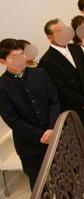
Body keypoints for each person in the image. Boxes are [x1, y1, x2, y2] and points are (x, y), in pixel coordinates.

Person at [39, 19, 84, 175]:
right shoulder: (47, 60)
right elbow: (59, 89)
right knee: (80, 141)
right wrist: (82, 102)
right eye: (59, 31)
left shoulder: (76, 48)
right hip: (73, 107)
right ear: (50, 37)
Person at [0, 39, 59, 189]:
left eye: (22, 54)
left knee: (64, 176)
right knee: (39, 185)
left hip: (54, 134)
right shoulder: (2, 87)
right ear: (2, 61)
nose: (21, 59)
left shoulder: (40, 73)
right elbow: (12, 119)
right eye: (14, 57)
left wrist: (51, 128)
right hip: (29, 145)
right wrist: (41, 135)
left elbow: (53, 101)